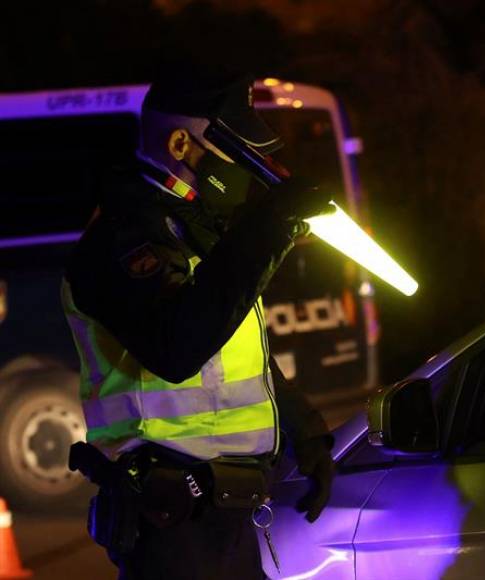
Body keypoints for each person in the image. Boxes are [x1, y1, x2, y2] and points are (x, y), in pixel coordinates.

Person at [62, 68, 336, 579]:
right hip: (166, 520)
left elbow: (229, 345)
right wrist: (268, 226)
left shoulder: (192, 229)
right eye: (234, 156)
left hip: (227, 515)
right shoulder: (119, 241)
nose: (245, 174)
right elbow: (178, 346)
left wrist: (305, 431)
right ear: (180, 142)